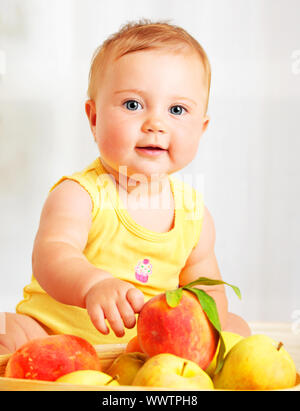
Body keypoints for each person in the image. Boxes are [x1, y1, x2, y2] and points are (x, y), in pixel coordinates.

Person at [0, 20, 251, 355]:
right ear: (93, 118)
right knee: (8, 331)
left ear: (202, 129)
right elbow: (51, 256)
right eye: (133, 104)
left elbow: (208, 291)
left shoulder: (194, 215)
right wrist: (93, 284)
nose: (155, 124)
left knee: (235, 327)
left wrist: (203, 329)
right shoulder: (80, 195)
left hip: (144, 350)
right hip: (54, 336)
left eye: (177, 110)